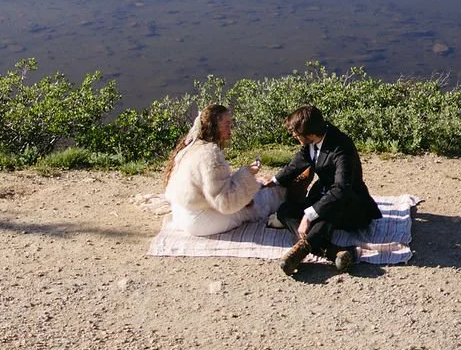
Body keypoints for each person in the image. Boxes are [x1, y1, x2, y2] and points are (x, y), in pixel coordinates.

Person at [269, 104, 381, 275]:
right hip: (323, 195)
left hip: (349, 203)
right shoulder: (312, 142)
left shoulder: (341, 147)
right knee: (285, 210)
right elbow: (297, 163)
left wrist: (309, 214)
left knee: (323, 216)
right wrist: (273, 181)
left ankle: (300, 252)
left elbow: (341, 189)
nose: (294, 136)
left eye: (296, 134)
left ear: (310, 134)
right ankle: (333, 251)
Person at [163, 103, 270, 236]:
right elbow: (225, 202)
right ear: (213, 127)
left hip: (180, 214)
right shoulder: (210, 153)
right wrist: (247, 174)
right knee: (262, 201)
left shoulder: (191, 147)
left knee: (256, 192)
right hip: (199, 222)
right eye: (226, 124)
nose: (231, 128)